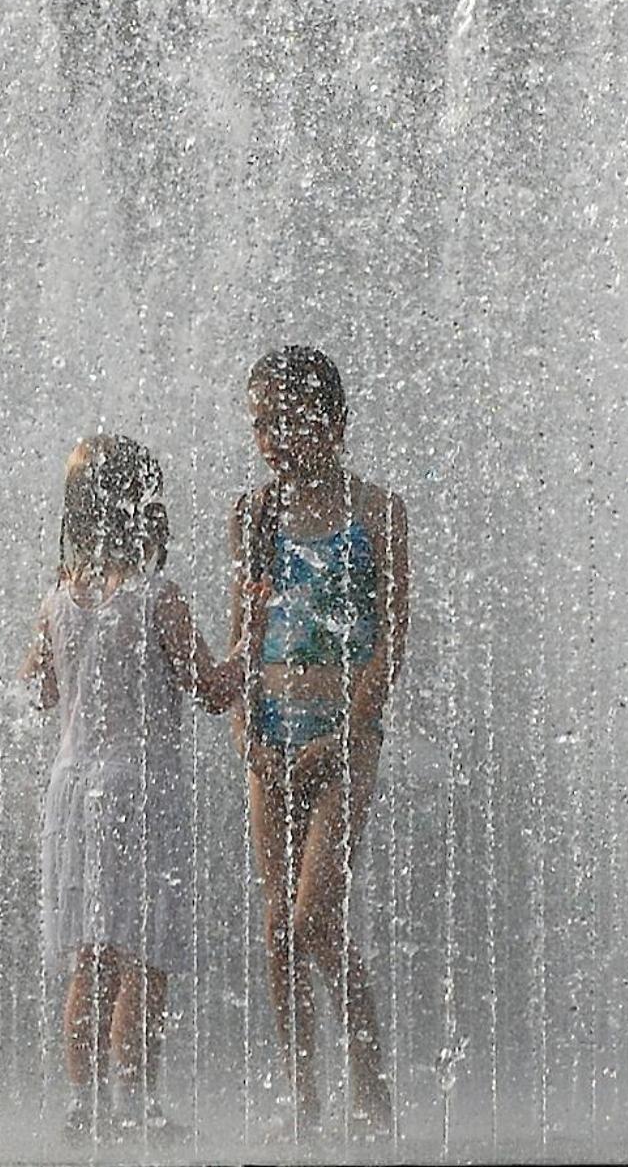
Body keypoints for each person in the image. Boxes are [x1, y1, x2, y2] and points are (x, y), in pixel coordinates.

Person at [21, 434, 239, 1141]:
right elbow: (210, 688)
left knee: (90, 950)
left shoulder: (58, 599)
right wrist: (252, 633)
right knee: (142, 952)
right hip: (140, 789)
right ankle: (137, 1098)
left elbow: (38, 690)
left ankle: (85, 1106)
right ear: (145, 507)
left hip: (73, 788)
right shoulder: (158, 596)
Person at [228, 348, 409, 1135]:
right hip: (270, 738)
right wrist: (246, 735)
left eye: (286, 420)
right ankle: (304, 1105)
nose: (270, 437)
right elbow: (242, 634)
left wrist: (347, 729)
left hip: (344, 740)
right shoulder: (252, 515)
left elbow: (391, 635)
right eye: (261, 422)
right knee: (277, 928)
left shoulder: (377, 512)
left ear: (332, 425)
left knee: (313, 922)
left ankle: (371, 1089)